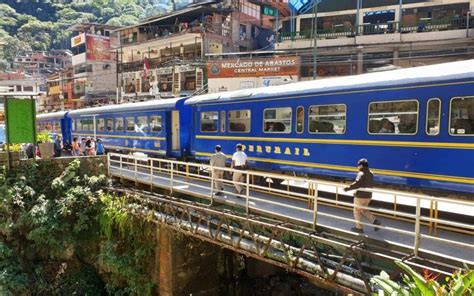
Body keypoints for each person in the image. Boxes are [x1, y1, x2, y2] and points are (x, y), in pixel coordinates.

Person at [344, 158, 381, 233]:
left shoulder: (361, 173)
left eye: (358, 165)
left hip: (360, 196)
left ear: (361, 165)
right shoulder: (371, 173)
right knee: (364, 210)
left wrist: (347, 188)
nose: (357, 167)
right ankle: (375, 221)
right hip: (368, 196)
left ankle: (359, 228)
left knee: (357, 211)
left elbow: (357, 183)